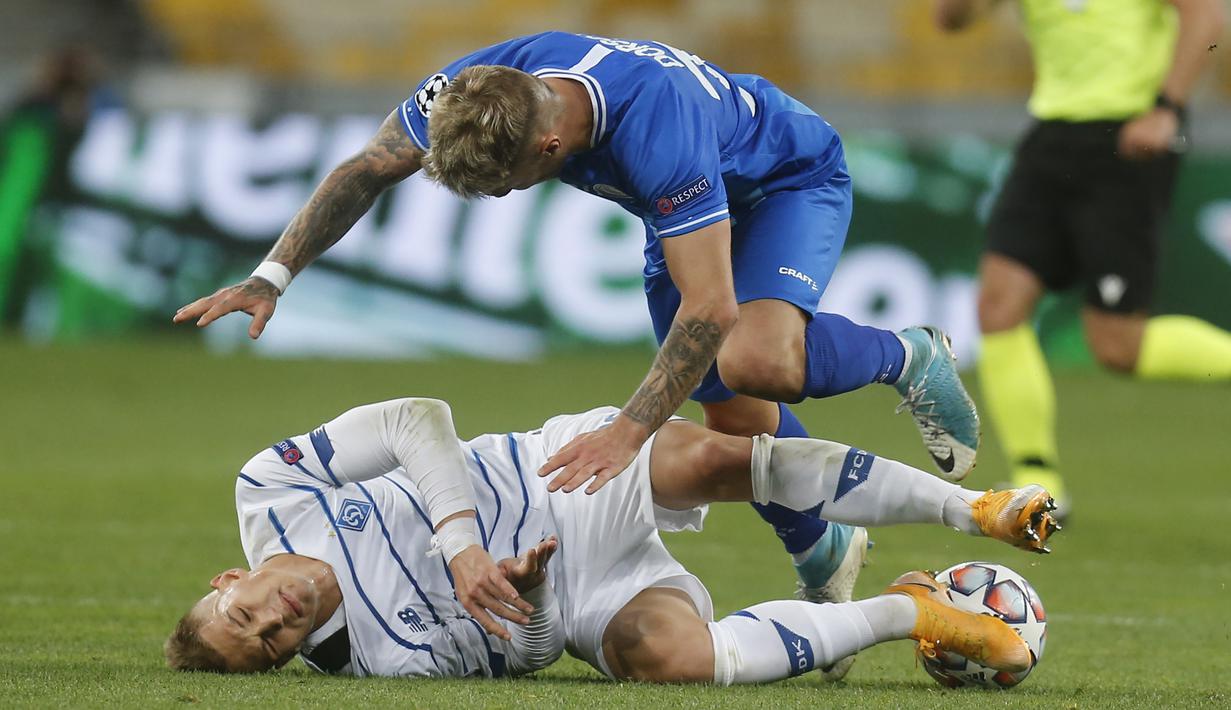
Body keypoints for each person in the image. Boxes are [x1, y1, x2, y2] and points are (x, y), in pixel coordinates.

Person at [172, 32, 983, 636]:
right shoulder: (474, 91)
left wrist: (628, 432)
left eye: (507, 184)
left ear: (550, 147)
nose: (499, 199)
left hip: (780, 181)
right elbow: (366, 168)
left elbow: (709, 307)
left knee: (755, 360)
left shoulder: (654, 126)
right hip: (675, 216)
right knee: (735, 419)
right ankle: (822, 548)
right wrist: (270, 275)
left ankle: (907, 354)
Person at [164, 397, 1058, 681]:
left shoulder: (272, 489)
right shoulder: (378, 657)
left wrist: (462, 541)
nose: (270, 624)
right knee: (665, 659)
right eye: (269, 646)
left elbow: (414, 418)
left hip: (553, 471)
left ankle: (974, 508)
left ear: (227, 576)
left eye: (239, 615)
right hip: (579, 585)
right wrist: (536, 593)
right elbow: (535, 653)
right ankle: (911, 611)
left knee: (713, 457)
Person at [934, 0, 1231, 514]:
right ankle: (1038, 482)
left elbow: (1206, 15)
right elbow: (953, 19)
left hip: (1129, 138)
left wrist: (1168, 107)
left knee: (1118, 349)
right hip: (1050, 138)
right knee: (998, 308)